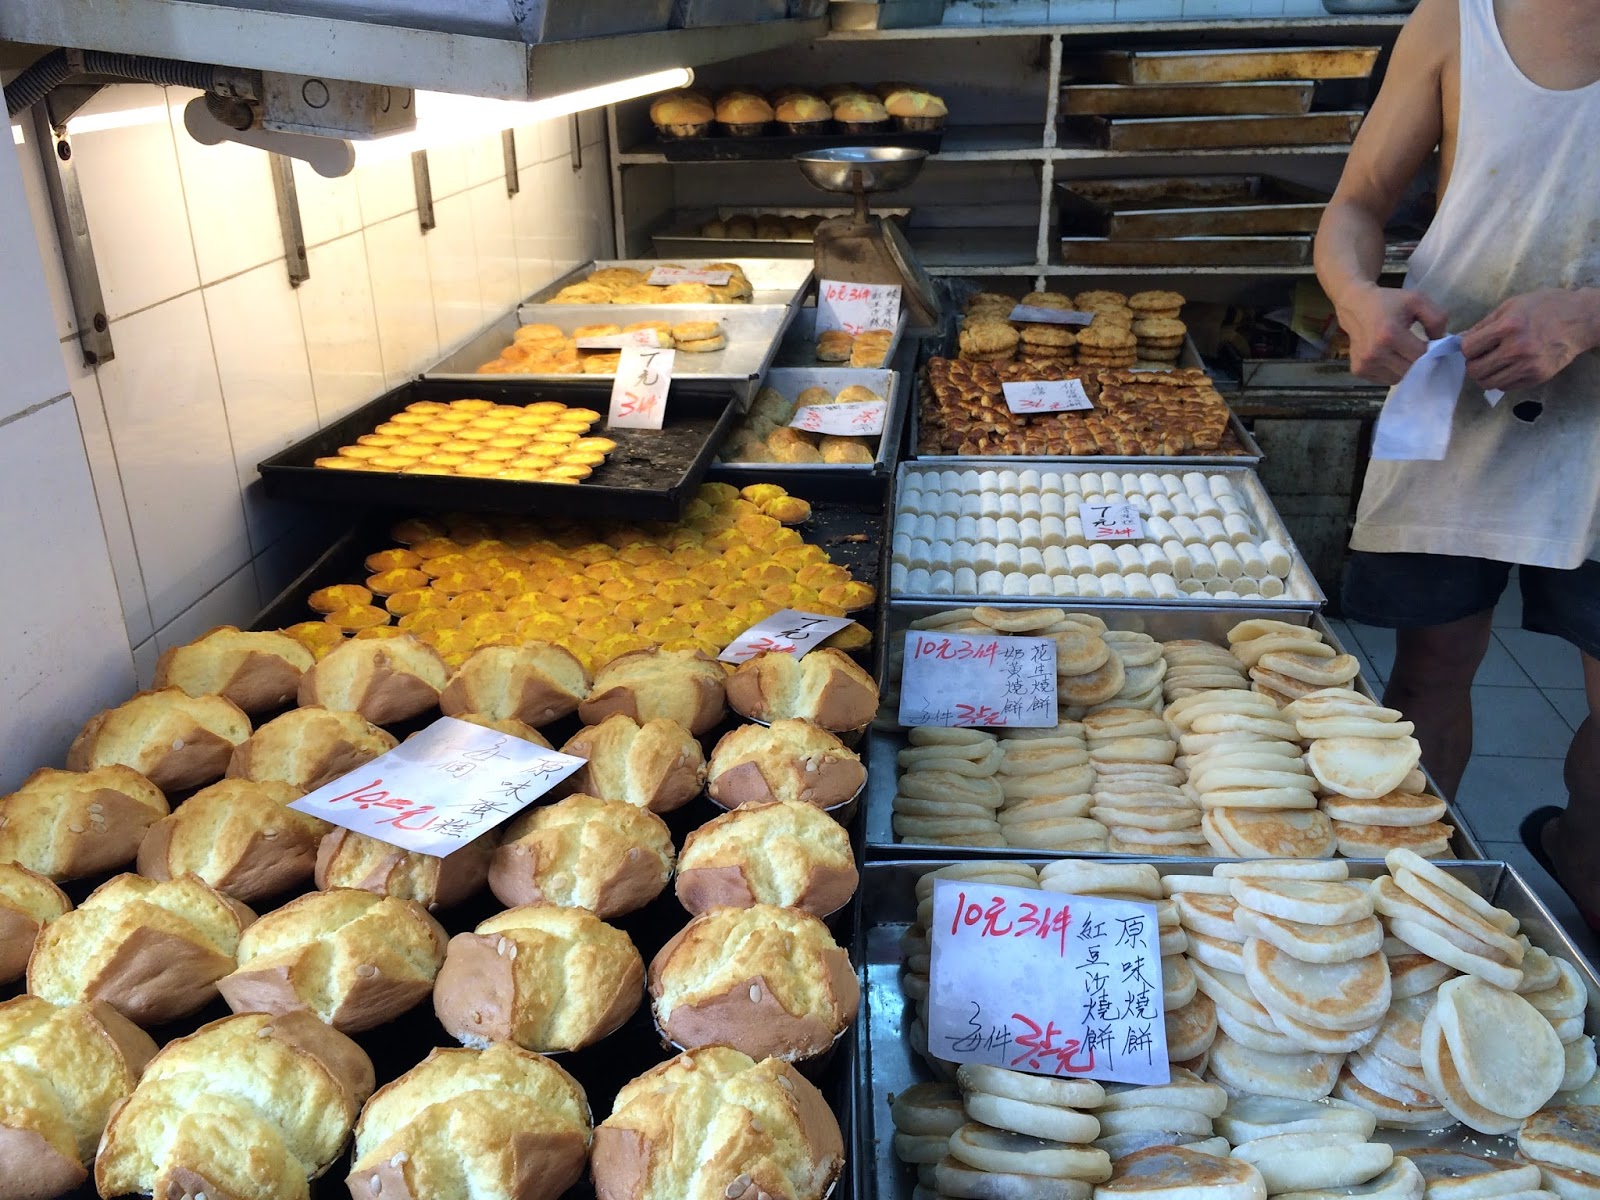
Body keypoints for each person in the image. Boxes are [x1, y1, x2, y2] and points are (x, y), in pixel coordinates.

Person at [1314, 0, 1600, 922]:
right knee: (1429, 671)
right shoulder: (1458, 20)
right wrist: (1359, 296)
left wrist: (1588, 314)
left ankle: (1585, 870)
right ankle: (1407, 900)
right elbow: (1357, 202)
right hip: (1454, 403)